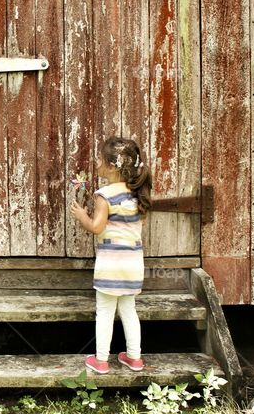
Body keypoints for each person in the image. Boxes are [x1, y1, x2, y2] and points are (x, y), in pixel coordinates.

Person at [70, 136, 152, 374]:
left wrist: (81, 216)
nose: (96, 162)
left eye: (100, 158)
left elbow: (97, 227)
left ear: (112, 165)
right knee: (129, 309)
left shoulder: (104, 195)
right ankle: (135, 358)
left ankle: (102, 360)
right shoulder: (137, 194)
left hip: (110, 264)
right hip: (133, 263)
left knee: (105, 312)